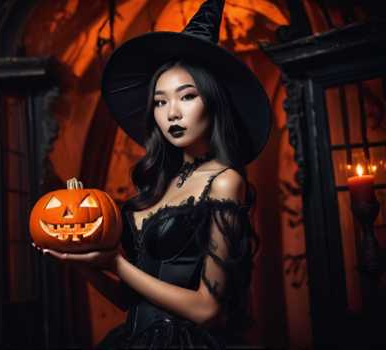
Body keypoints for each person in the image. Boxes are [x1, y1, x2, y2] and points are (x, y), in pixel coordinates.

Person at [35, 1, 271, 348]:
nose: (172, 113)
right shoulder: (159, 183)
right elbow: (128, 300)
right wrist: (83, 264)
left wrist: (115, 261)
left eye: (186, 96)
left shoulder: (224, 180)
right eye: (160, 102)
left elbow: (208, 309)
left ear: (213, 102)